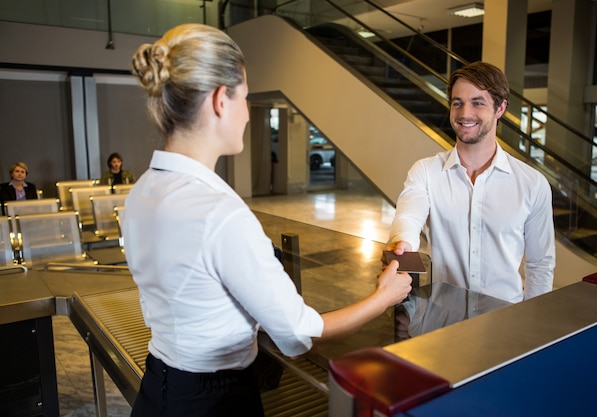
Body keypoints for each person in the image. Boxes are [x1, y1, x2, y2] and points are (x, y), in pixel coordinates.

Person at [125, 23, 412, 417]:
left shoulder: (142, 190)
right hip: (215, 401)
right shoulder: (220, 213)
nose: (246, 112)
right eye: (245, 96)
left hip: (158, 386)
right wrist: (384, 296)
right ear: (220, 101)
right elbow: (300, 334)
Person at [385, 61, 555, 304]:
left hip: (505, 319)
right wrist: (403, 241)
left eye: (478, 103)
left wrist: (533, 321)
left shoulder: (532, 184)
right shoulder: (426, 171)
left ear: (500, 108)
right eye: (457, 103)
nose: (465, 114)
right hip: (443, 320)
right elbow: (409, 218)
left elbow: (540, 264)